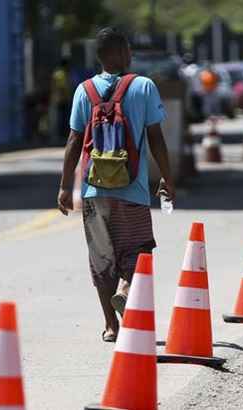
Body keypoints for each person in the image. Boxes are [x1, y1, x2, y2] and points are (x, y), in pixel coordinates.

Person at [57, 27, 175, 343]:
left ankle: (111, 326)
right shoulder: (143, 86)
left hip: (94, 192)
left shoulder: (84, 91)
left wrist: (66, 187)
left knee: (101, 259)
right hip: (131, 190)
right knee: (139, 250)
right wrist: (167, 176)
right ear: (123, 53)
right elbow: (156, 138)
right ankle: (126, 288)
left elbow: (74, 140)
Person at [50, 58, 72, 144]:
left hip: (57, 99)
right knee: (63, 118)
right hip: (62, 99)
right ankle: (62, 135)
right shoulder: (61, 74)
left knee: (60, 118)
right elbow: (62, 87)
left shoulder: (57, 73)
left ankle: (59, 135)